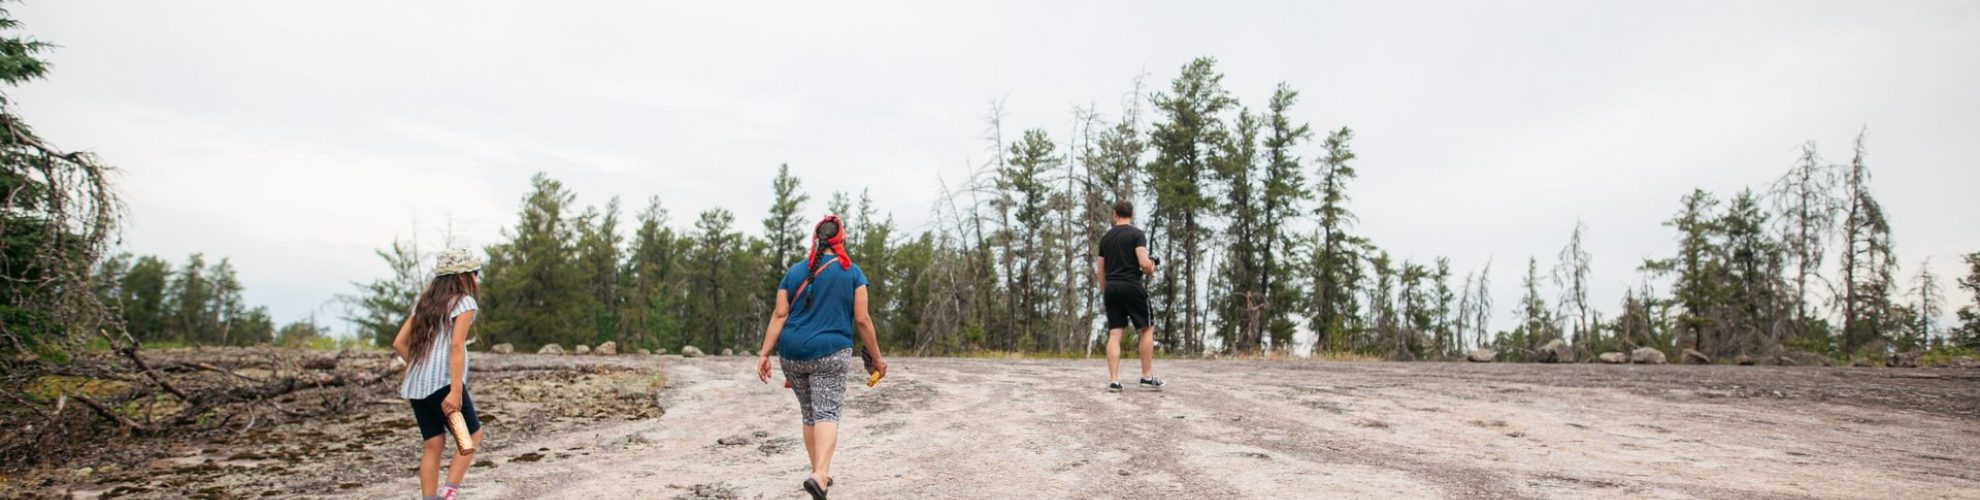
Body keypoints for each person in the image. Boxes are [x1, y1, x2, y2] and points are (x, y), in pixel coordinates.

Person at [756, 214, 887, 500]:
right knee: (827, 412)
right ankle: (820, 475)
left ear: (816, 240)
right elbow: (862, 320)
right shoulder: (852, 273)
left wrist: (764, 353)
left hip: (791, 354)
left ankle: (820, 472)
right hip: (830, 352)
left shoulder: (793, 272)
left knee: (810, 414)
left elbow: (780, 314)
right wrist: (876, 358)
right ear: (841, 240)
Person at [392, 248, 486, 500]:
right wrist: (455, 391)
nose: (476, 279)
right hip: (445, 386)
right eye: (473, 273)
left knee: (433, 444)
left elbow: (399, 343)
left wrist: (420, 365)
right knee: (469, 438)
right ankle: (449, 493)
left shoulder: (424, 304)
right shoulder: (464, 303)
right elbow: (456, 346)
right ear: (460, 276)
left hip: (417, 387)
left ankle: (429, 497)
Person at [1096, 200, 1165, 392]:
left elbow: (1100, 271)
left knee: (1115, 333)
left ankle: (1114, 380)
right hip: (1131, 286)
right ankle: (1146, 376)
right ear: (1131, 215)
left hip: (1111, 287)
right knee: (1147, 328)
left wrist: (1105, 289)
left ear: (1115, 214)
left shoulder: (1106, 238)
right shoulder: (1136, 234)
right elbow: (1144, 264)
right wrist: (1152, 265)